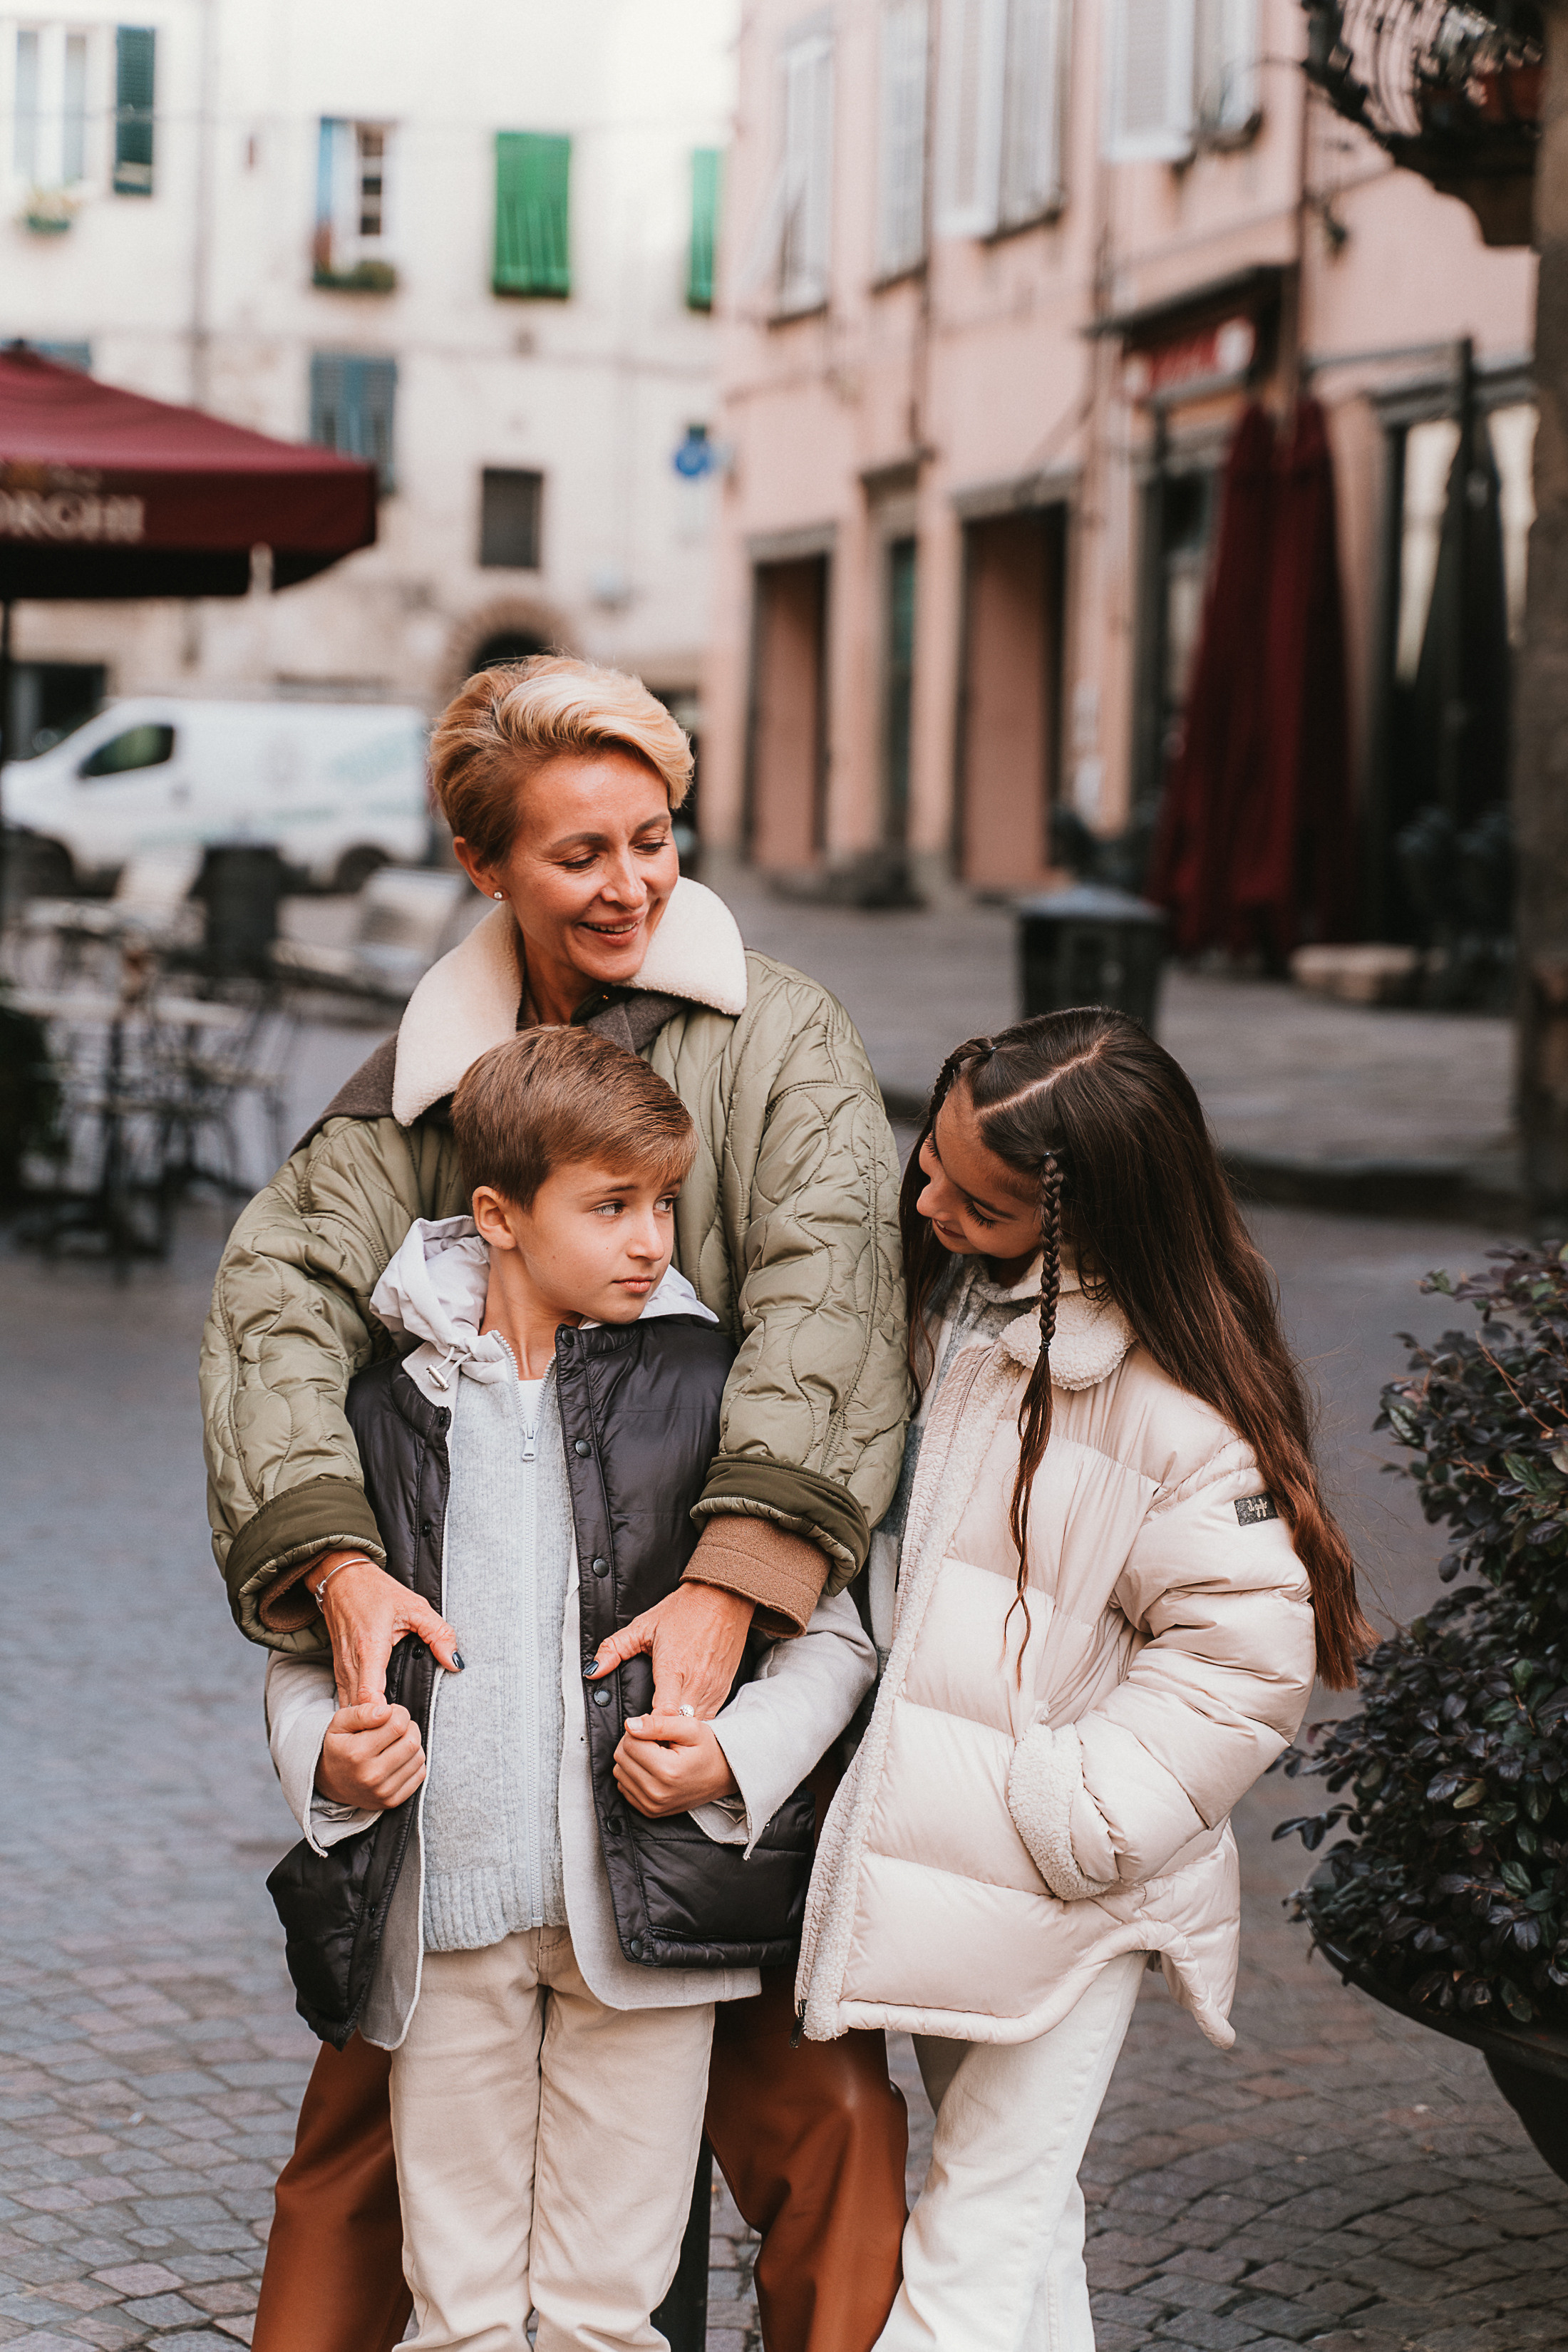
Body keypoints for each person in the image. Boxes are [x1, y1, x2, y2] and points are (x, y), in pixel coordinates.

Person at [200, 656, 912, 2352]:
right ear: (486, 868)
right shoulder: (428, 1079)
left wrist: (736, 1582)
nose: (628, 883)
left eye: (651, 837)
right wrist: (337, 1563)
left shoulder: (780, 1036)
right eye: (577, 852)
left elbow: (833, 1301)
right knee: (357, 2152)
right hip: (493, 1750)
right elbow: (278, 1295)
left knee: (825, 2122)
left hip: (708, 1681)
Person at [263, 1028, 876, 2348]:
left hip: (647, 1931)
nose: (652, 1237)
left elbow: (834, 1641)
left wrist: (735, 1760)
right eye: (610, 1207)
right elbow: (310, 1652)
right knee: (460, 2306)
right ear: (498, 1216)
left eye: (662, 1202)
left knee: (607, 2307)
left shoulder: (712, 1391)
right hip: (448, 1926)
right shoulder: (383, 1409)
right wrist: (327, 1756)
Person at [795, 1011, 1375, 2351]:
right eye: (930, 1166)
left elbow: (1245, 1664)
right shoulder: (963, 1312)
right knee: (1023, 2224)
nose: (932, 1204)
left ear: (1086, 1218)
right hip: (947, 1863)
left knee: (972, 2253)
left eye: (981, 1203)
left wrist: (1073, 1814)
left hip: (1060, 1877)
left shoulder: (1170, 1409)